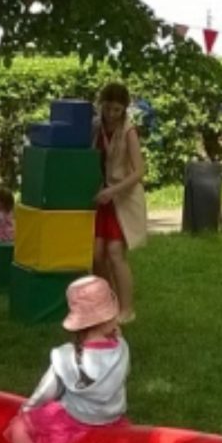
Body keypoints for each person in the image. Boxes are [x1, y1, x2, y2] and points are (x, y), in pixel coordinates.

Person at [4, 276, 130, 443]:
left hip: (78, 416)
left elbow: (46, 391)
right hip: (112, 416)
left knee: (20, 428)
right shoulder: (122, 349)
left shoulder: (65, 355)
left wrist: (27, 408)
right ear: (109, 316)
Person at [92, 82, 147, 325]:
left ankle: (127, 309)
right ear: (102, 105)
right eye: (109, 108)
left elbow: (139, 172)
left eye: (117, 110)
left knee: (115, 253)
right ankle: (107, 303)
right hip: (101, 197)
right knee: (96, 254)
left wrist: (113, 190)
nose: (112, 114)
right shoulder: (95, 127)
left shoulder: (129, 131)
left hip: (122, 198)